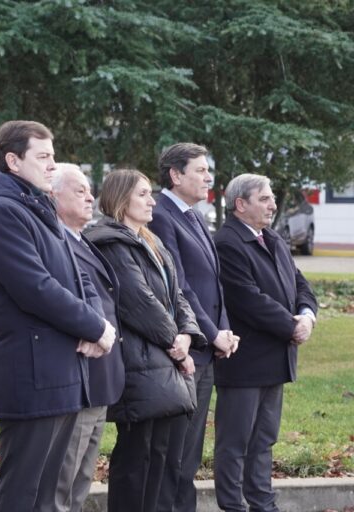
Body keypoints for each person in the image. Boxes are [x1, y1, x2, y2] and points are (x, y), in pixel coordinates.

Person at [0, 121, 115, 512]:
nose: (52, 164)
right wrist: (95, 326)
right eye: (43, 156)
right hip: (31, 375)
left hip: (58, 371)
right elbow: (36, 288)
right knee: (22, 496)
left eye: (53, 156)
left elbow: (78, 272)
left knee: (49, 497)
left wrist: (96, 320)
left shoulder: (36, 204)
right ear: (13, 161)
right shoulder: (1, 213)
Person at [85, 169, 205, 512]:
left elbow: (177, 295)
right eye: (143, 194)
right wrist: (177, 346)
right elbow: (139, 303)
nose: (152, 200)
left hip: (163, 361)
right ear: (121, 199)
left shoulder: (151, 241)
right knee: (137, 458)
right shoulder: (112, 243)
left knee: (161, 456)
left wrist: (187, 334)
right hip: (139, 364)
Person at [213, 173, 317, 512]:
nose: (272, 204)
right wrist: (291, 327)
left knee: (263, 441)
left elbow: (301, 284)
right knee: (235, 443)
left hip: (275, 360)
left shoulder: (271, 238)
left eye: (271, 198)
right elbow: (249, 300)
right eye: (264, 199)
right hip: (245, 364)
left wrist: (306, 316)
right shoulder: (228, 243)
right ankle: (233, 506)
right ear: (241, 204)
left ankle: (262, 504)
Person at [148, 143, 239, 512]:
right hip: (183, 352)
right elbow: (179, 286)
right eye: (200, 170)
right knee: (173, 452)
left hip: (206, 350)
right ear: (175, 174)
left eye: (207, 170)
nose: (208, 177)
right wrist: (211, 332)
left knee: (190, 452)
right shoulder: (161, 215)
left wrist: (224, 330)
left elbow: (213, 284)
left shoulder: (196, 216)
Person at [51, 163, 125, 512]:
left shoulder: (82, 239)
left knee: (81, 479)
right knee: (62, 482)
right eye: (79, 190)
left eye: (89, 190)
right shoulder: (55, 241)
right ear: (54, 196)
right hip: (79, 374)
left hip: (101, 375)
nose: (90, 196)